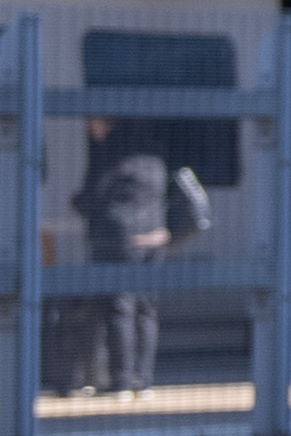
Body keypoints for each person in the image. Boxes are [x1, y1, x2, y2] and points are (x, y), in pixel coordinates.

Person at [70, 118, 207, 397]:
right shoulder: (154, 155)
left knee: (119, 307)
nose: (88, 127)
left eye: (93, 122)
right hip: (154, 239)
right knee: (146, 309)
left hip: (118, 240)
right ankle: (142, 380)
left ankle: (120, 380)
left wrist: (78, 203)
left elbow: (94, 196)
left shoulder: (111, 155)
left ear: (107, 123)